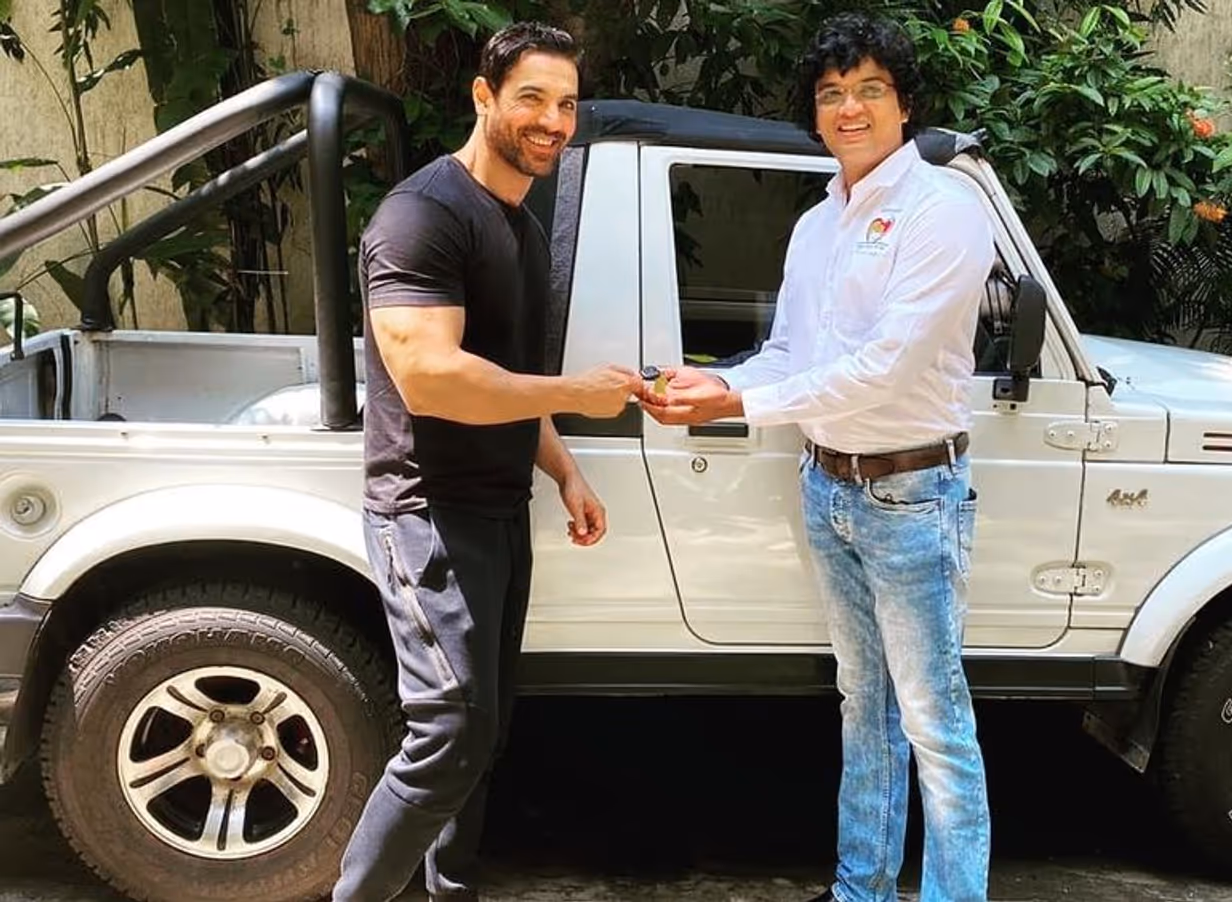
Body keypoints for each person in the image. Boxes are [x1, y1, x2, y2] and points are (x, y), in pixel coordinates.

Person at [642, 12, 994, 902]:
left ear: (905, 105)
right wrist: (720, 379)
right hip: (828, 485)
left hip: (913, 490)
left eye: (870, 89)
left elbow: (884, 369)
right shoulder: (816, 225)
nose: (850, 108)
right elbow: (793, 355)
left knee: (934, 720)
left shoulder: (945, 212)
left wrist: (736, 403)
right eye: (832, 93)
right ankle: (858, 890)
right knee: (863, 705)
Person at [333, 22, 641, 902]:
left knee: (484, 732)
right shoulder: (423, 215)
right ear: (484, 96)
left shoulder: (522, 227)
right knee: (452, 732)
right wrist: (576, 391)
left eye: (566, 104)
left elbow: (505, 377)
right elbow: (431, 378)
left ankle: (450, 888)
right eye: (532, 99)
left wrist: (564, 469)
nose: (552, 121)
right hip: (426, 511)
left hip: (499, 510)